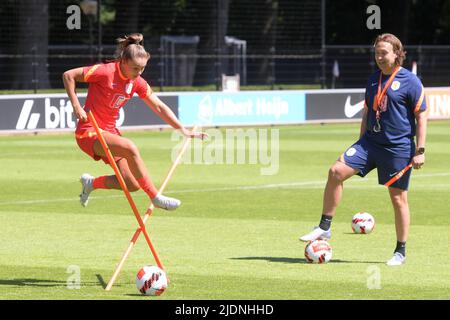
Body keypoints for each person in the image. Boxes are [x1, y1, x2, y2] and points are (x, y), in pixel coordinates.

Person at [299, 33, 428, 266]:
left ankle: (400, 251)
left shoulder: (411, 81)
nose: (378, 57)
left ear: (397, 54)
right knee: (335, 172)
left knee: (398, 199)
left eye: (383, 52)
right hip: (369, 143)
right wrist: (360, 142)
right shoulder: (373, 79)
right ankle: (325, 227)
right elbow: (368, 111)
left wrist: (420, 150)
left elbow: (422, 115)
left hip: (397, 148)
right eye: (376, 52)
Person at [63, 33, 206, 210]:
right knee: (130, 147)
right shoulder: (105, 71)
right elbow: (68, 75)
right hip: (89, 131)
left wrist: (182, 130)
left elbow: (159, 107)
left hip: (110, 133)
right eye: (135, 68)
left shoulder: (137, 81)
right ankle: (155, 196)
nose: (138, 73)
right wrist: (76, 106)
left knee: (132, 184)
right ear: (123, 62)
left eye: (142, 69)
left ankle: (91, 183)